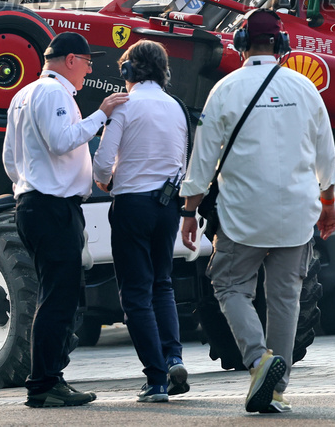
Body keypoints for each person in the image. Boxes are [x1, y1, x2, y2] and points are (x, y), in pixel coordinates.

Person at [180, 9, 335, 415]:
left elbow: (202, 159)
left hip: (242, 214)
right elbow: (326, 156)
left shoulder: (226, 90)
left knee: (230, 284)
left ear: (242, 43)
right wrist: (328, 204)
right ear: (281, 45)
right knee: (286, 298)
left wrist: (189, 209)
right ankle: (277, 388)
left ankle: (257, 360)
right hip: (297, 214)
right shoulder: (305, 89)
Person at [4, 32, 129, 408]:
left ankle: (49, 378)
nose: (89, 71)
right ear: (71, 60)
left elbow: (11, 161)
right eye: (89, 63)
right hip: (51, 206)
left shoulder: (23, 95)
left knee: (58, 295)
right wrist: (102, 113)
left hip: (36, 202)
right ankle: (44, 382)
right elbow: (62, 141)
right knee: (59, 298)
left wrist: (32, 181)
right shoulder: (53, 93)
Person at [92, 41, 189, 403]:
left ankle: (157, 378)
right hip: (167, 205)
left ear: (128, 72)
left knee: (135, 293)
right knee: (162, 284)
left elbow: (102, 163)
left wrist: (108, 179)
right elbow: (181, 159)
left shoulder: (124, 105)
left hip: (132, 204)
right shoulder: (175, 106)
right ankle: (174, 357)